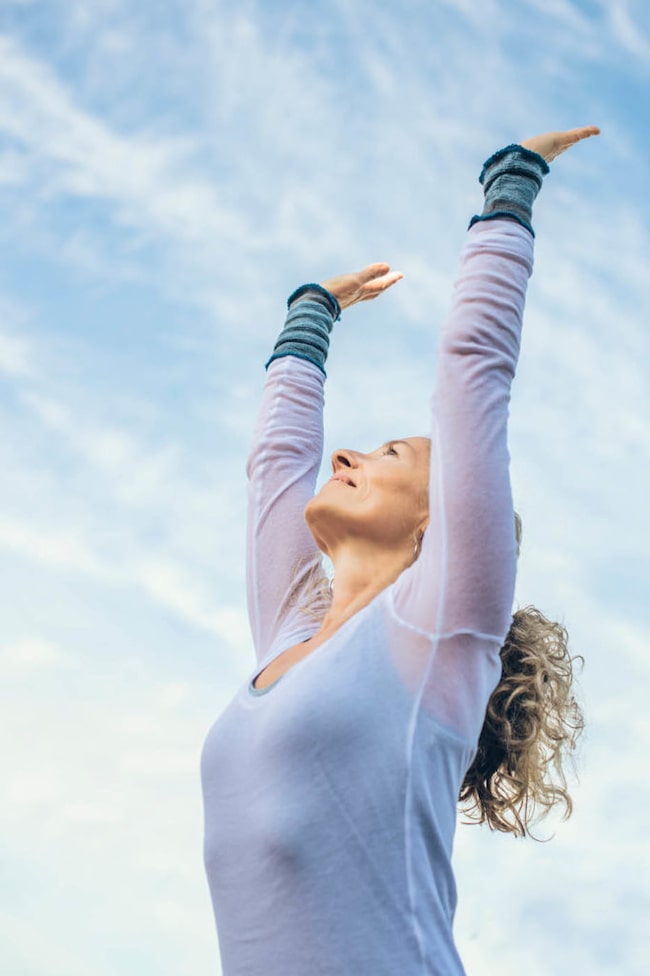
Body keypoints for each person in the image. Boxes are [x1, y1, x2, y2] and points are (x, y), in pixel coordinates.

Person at [200, 125, 599, 976]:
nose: (345, 455)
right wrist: (310, 320)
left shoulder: (436, 634)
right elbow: (275, 466)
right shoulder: (287, 634)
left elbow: (473, 374)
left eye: (387, 456)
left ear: (437, 522)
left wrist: (510, 193)